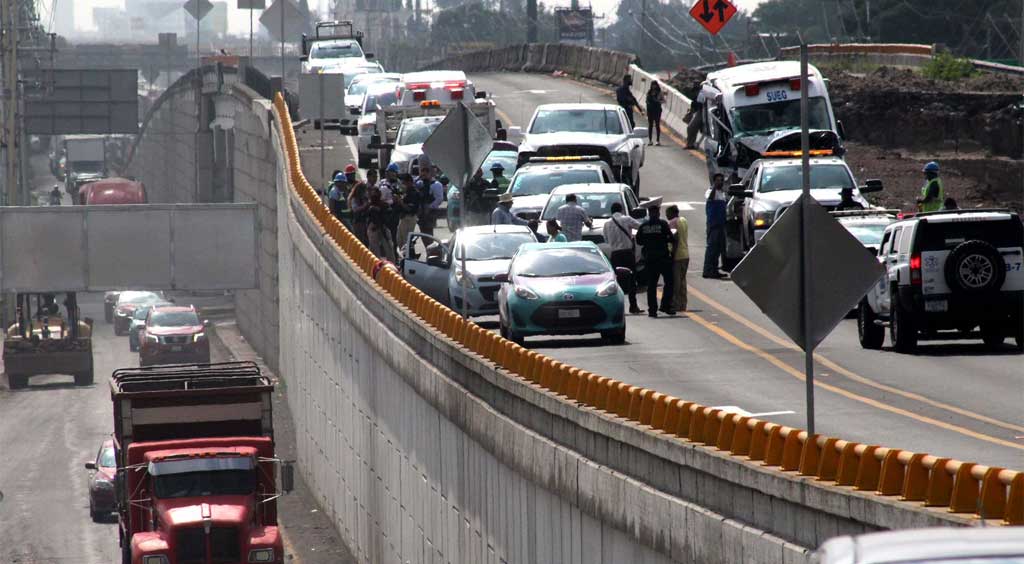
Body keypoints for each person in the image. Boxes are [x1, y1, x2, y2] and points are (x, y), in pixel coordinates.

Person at [603, 202, 643, 314]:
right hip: (627, 253)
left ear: (611, 211)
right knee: (631, 280)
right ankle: (633, 306)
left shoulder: (607, 224)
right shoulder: (626, 219)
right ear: (621, 210)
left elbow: (606, 240)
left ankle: (617, 308)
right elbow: (640, 227)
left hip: (615, 254)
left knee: (617, 281)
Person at [636, 206, 675, 317]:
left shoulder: (643, 226)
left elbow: (639, 241)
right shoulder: (663, 224)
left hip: (650, 259)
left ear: (649, 213)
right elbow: (671, 238)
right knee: (669, 282)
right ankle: (665, 305)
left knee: (651, 285)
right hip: (663, 258)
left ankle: (652, 310)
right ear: (657, 213)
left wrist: (648, 242)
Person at [703, 173, 728, 279]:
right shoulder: (710, 191)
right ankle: (707, 270)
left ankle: (714, 270)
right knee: (711, 248)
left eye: (721, 180)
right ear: (714, 182)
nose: (720, 182)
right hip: (713, 224)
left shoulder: (722, 194)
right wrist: (714, 188)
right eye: (718, 180)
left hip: (721, 224)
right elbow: (710, 197)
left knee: (718, 249)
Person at [665, 205, 689, 312]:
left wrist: (672, 254)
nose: (666, 216)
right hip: (685, 254)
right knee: (683, 281)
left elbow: (675, 238)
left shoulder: (672, 223)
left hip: (677, 255)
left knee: (676, 283)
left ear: (672, 213)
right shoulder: (684, 220)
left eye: (667, 213)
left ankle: (676, 304)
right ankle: (683, 304)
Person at [365, 186, 396, 261]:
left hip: (383, 227)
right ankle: (376, 264)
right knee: (374, 249)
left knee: (388, 247)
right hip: (373, 227)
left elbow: (389, 214)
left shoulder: (383, 205)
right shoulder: (369, 206)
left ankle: (392, 264)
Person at [416, 163, 445, 236]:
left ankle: (430, 246)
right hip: (421, 212)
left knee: (429, 232)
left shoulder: (436, 184)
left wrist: (429, 207)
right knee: (423, 233)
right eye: (422, 174)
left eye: (425, 174)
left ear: (429, 173)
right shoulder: (420, 183)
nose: (424, 176)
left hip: (431, 212)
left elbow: (439, 199)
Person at [396, 173, 421, 250]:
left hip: (409, 218)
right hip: (403, 218)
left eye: (403, 182)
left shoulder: (413, 193)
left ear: (409, 182)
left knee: (406, 242)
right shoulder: (405, 191)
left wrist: (401, 202)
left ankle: (407, 259)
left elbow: (410, 209)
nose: (402, 184)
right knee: (399, 240)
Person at [645, 82, 665, 146]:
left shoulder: (660, 92)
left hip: (657, 110)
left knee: (657, 124)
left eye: (655, 85)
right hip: (650, 110)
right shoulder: (649, 92)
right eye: (652, 85)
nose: (654, 86)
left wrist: (657, 101)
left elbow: (663, 100)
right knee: (650, 125)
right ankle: (650, 140)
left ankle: (657, 140)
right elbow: (646, 100)